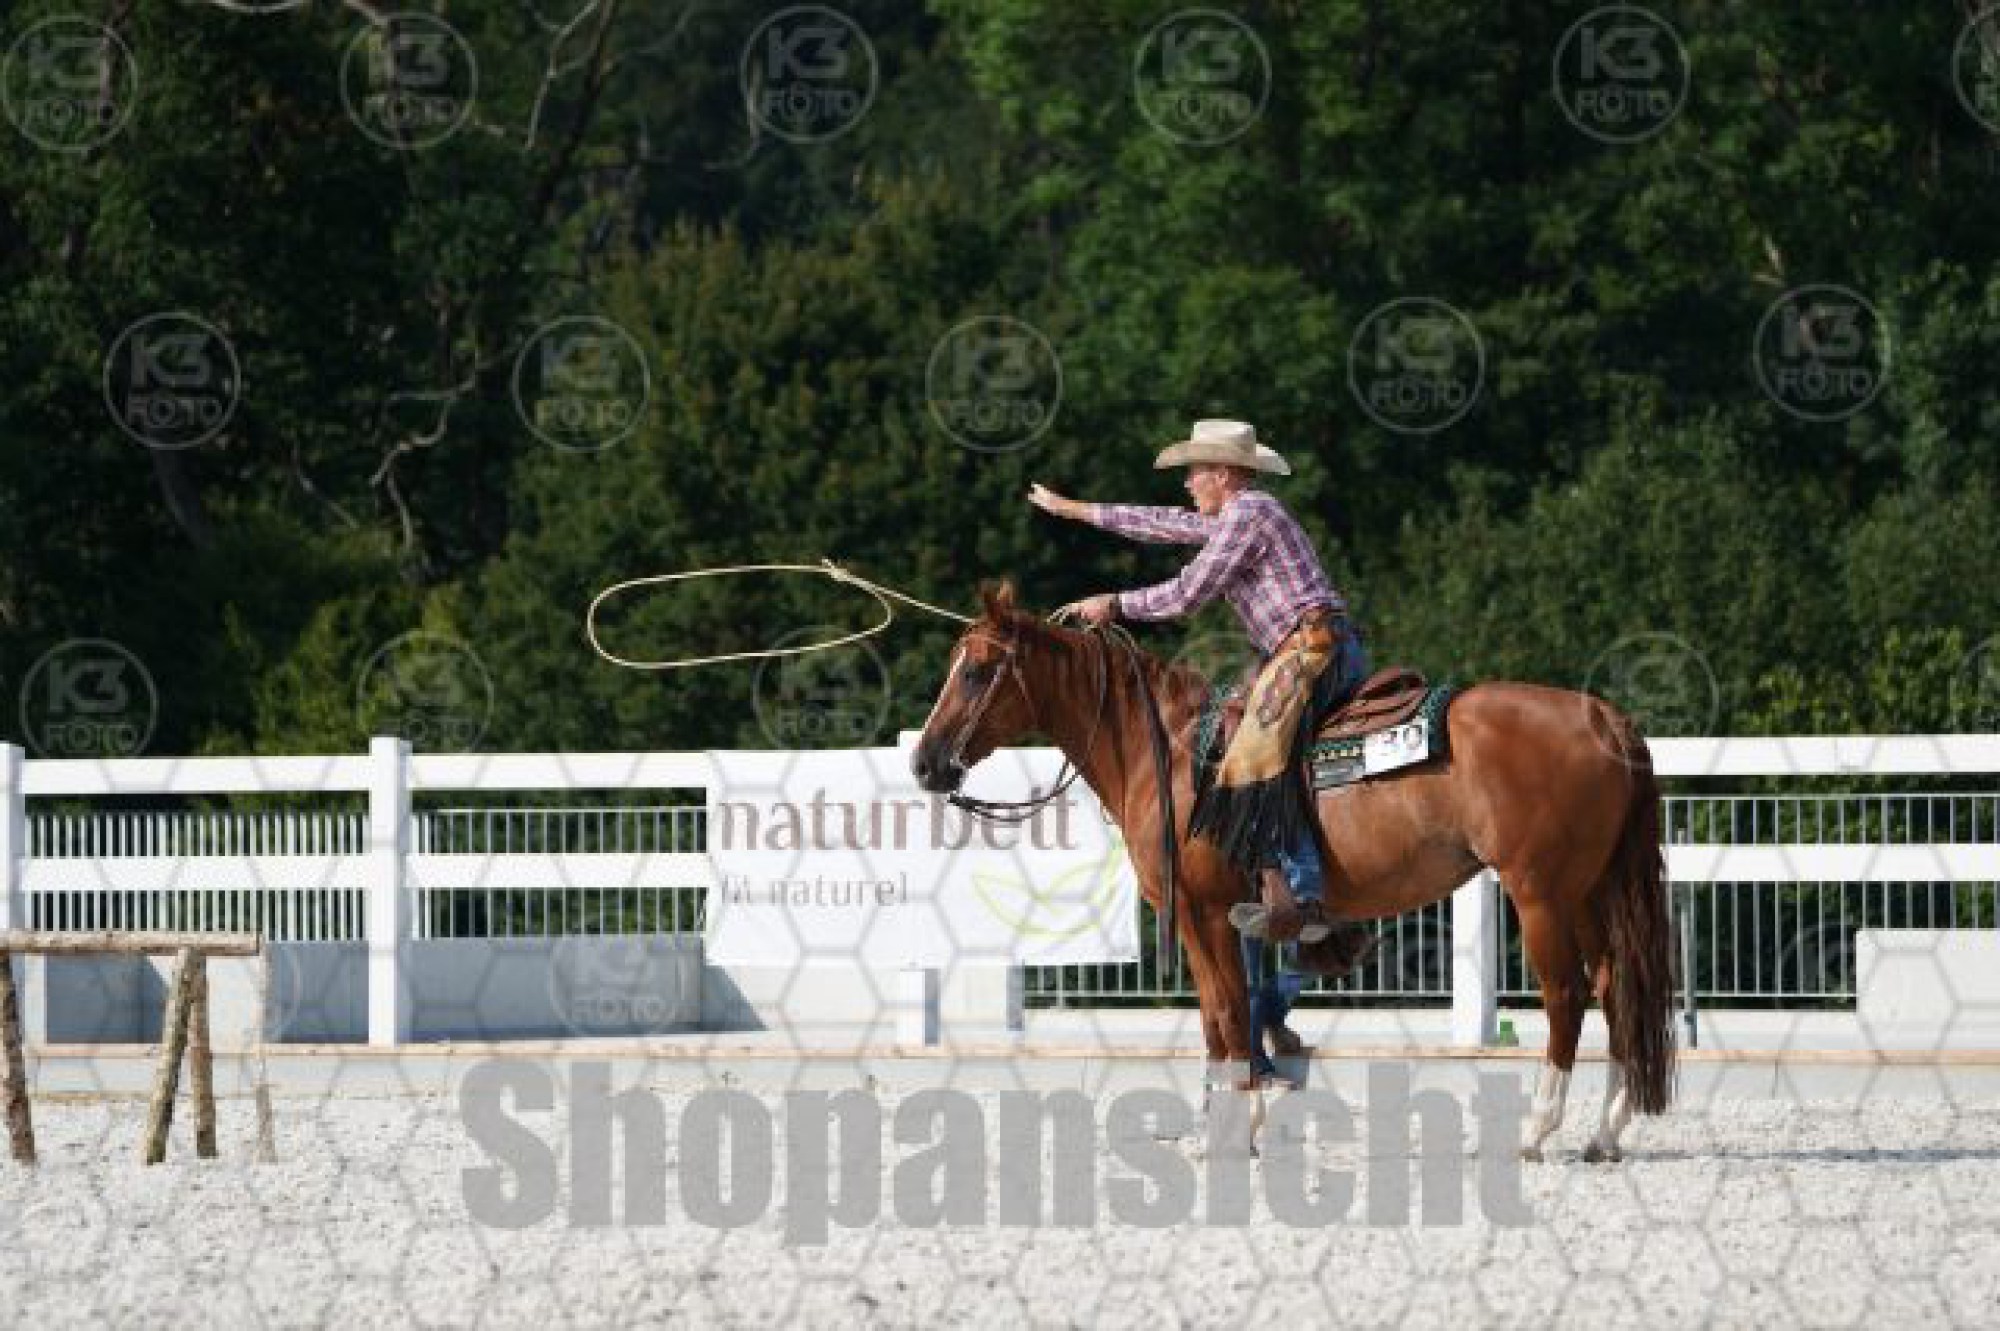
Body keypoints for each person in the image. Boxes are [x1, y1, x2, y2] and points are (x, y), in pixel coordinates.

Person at [1029, 419, 1377, 1061]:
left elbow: (1190, 592)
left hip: (1312, 646)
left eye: (1195, 472)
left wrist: (1115, 604)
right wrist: (1075, 510)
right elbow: (1160, 524)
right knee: (1246, 744)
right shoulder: (1239, 516)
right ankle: (1285, 902)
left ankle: (1305, 896)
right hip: (1303, 647)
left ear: (1225, 474)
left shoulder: (1251, 512)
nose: (1188, 483)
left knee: (1254, 752)